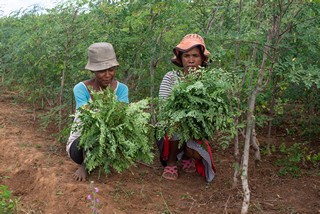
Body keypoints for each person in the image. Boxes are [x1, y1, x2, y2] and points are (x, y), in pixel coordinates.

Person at [66, 42, 129, 181]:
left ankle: (105, 161)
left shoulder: (122, 89)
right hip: (81, 144)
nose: (107, 75)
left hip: (109, 142)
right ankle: (85, 164)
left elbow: (122, 114)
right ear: (93, 71)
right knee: (95, 127)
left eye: (111, 70)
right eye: (102, 71)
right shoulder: (81, 89)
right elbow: (87, 115)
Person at [158, 34, 216, 182]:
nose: (191, 60)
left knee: (196, 143)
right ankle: (171, 163)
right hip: (171, 124)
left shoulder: (207, 81)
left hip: (195, 125)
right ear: (180, 58)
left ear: (202, 59)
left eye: (195, 56)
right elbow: (164, 106)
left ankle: (186, 155)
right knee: (177, 125)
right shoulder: (171, 77)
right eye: (186, 56)